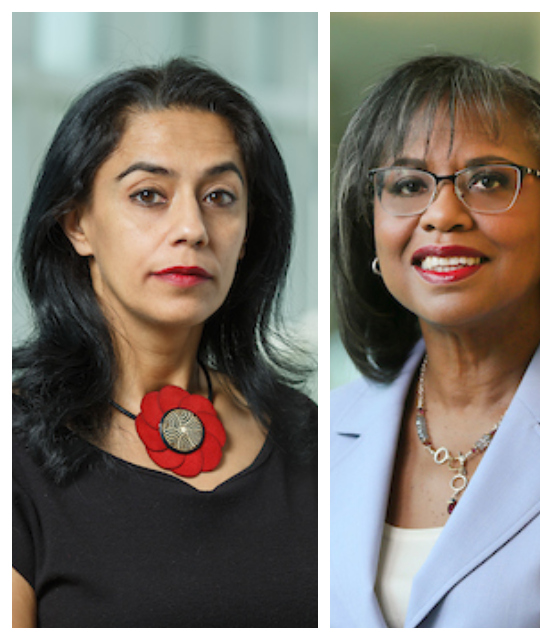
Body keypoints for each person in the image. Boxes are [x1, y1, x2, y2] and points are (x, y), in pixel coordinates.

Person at [12, 58, 318, 627]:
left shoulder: (312, 440)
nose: (193, 228)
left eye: (221, 197)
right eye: (150, 195)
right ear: (77, 223)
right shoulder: (16, 456)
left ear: (249, 233)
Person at [331, 54, 540, 627]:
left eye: (488, 181)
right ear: (371, 224)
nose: (442, 214)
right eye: (409, 184)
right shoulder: (323, 432)